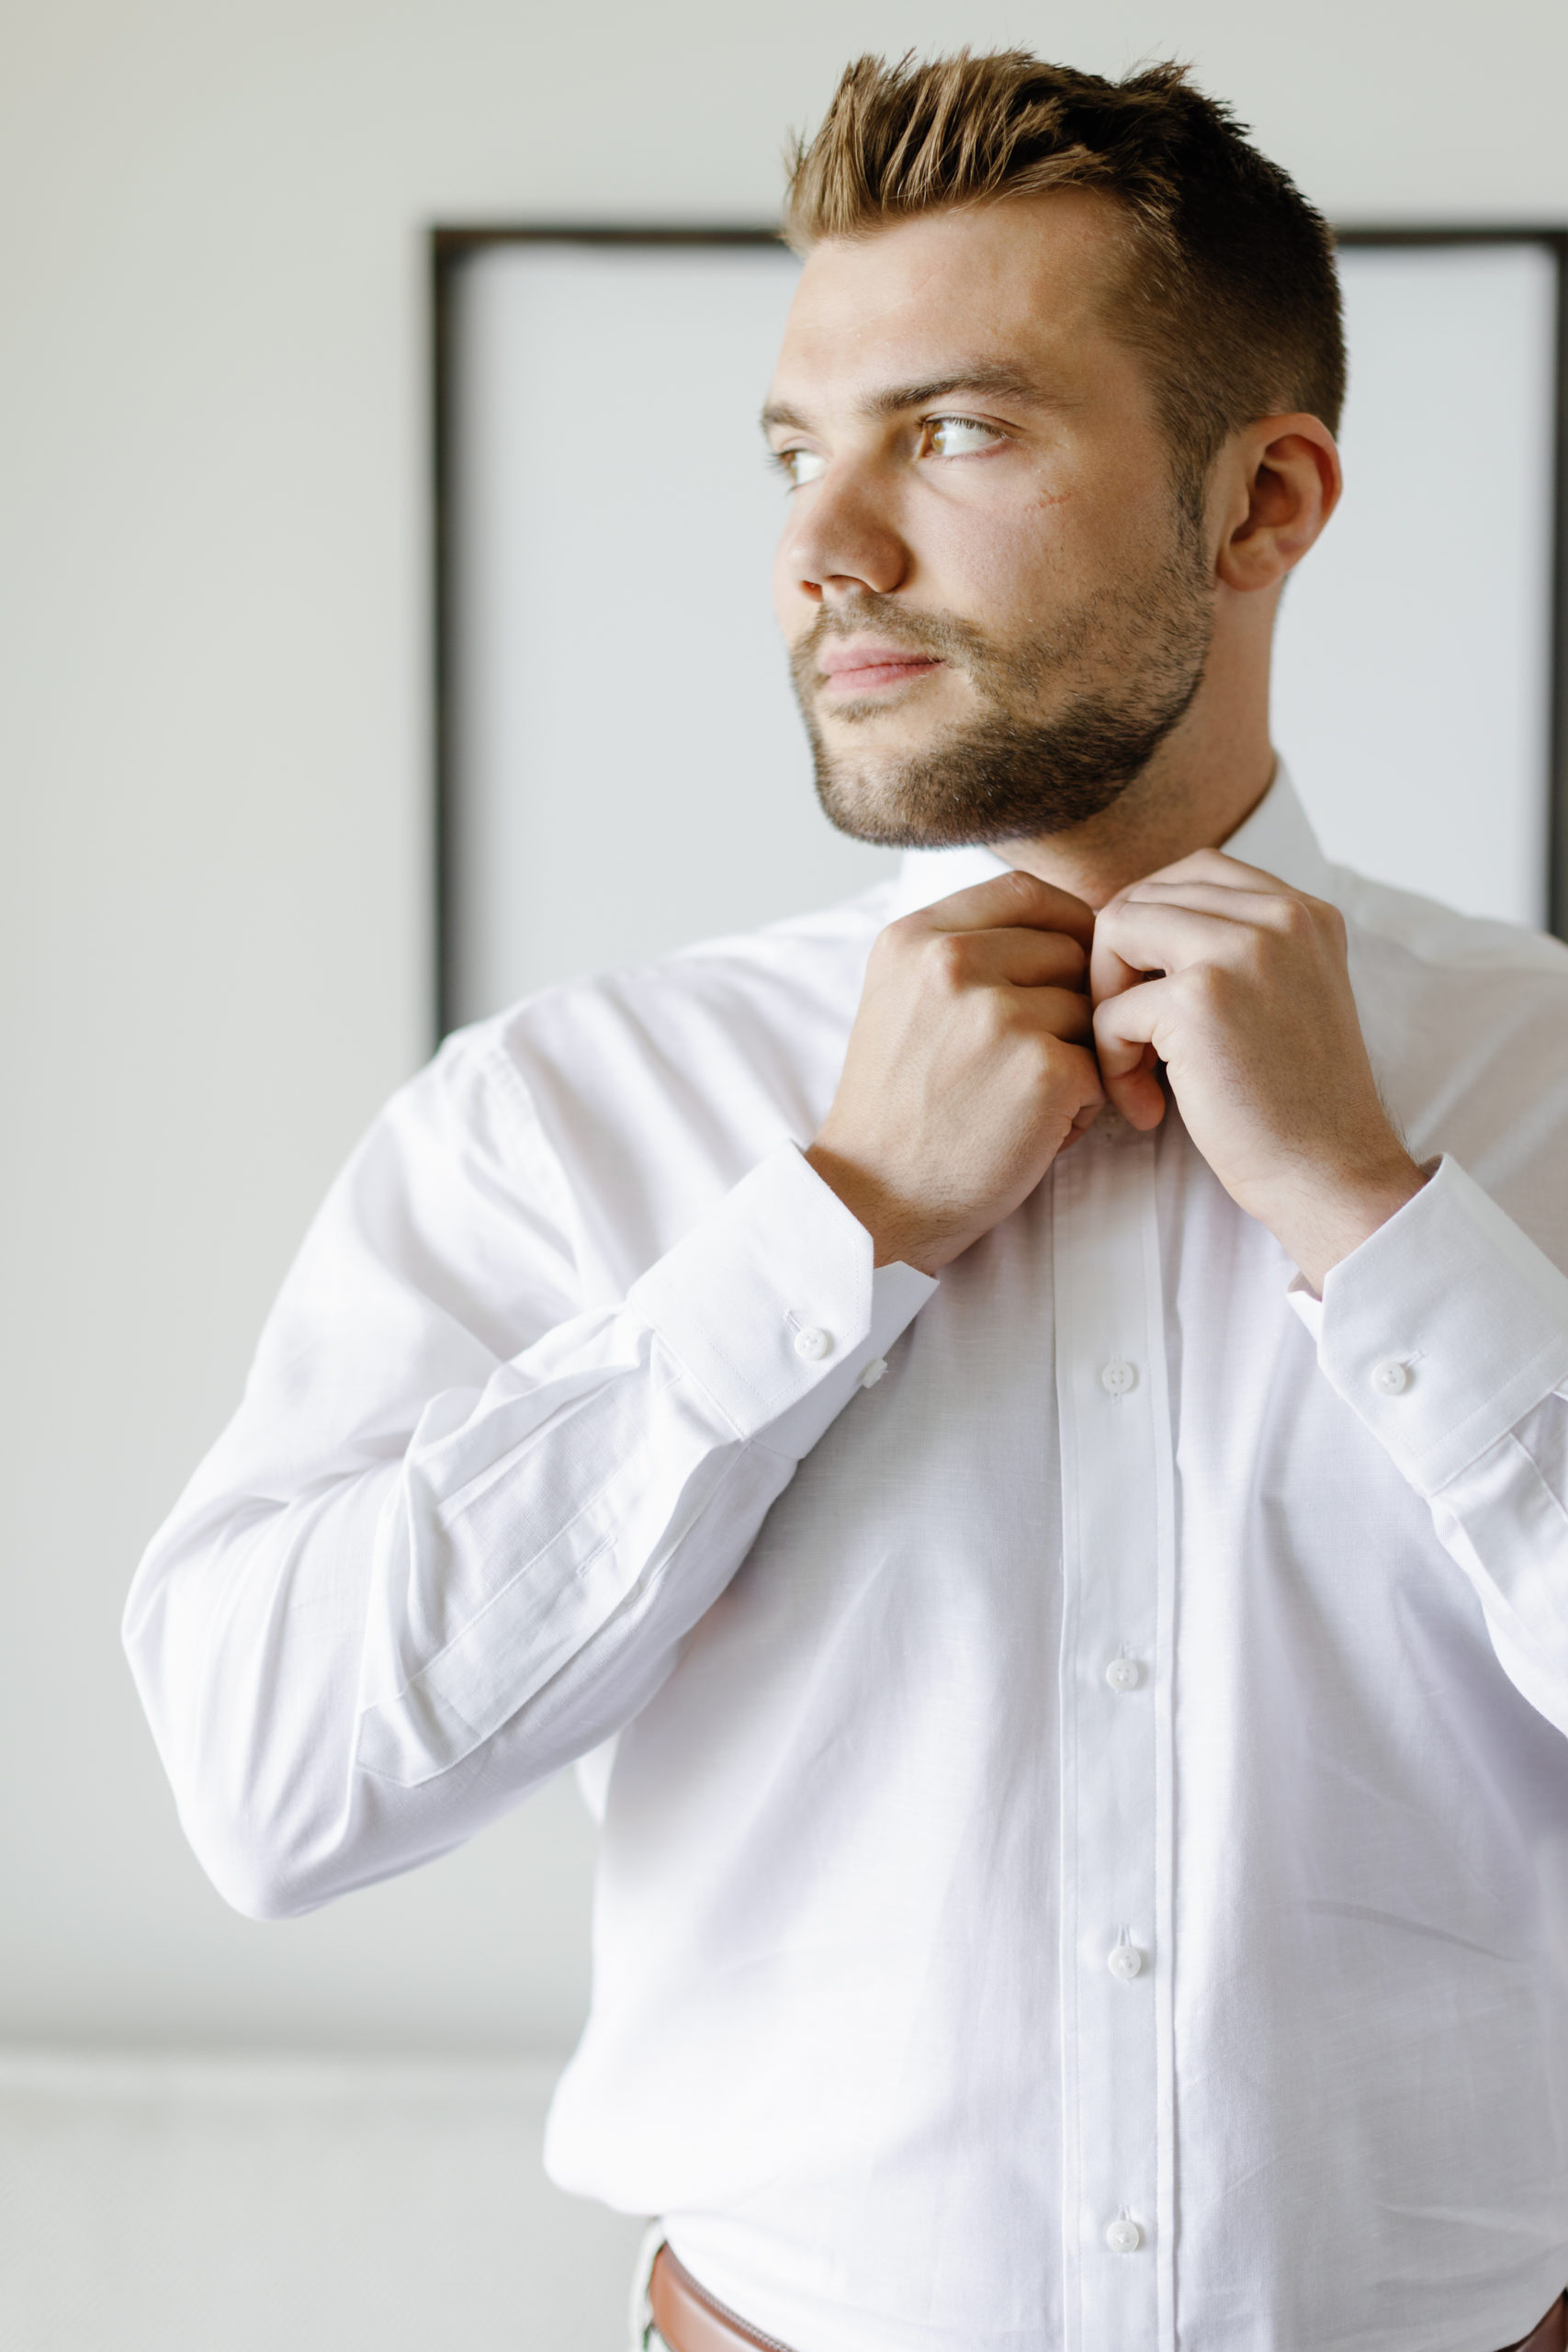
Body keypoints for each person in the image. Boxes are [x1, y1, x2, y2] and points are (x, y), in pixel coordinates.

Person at [124, 50, 1568, 2352]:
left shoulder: (1544, 1082)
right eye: (799, 451)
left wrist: (1380, 1220)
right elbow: (276, 1785)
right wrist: (826, 1229)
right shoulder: (569, 1116)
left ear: (1262, 501)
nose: (825, 545)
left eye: (956, 431)